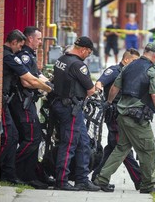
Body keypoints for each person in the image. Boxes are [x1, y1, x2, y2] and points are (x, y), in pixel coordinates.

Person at [94, 42, 155, 193]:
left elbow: (115, 87)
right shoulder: (151, 71)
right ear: (154, 55)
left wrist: (108, 102)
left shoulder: (128, 67)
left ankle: (101, 179)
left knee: (121, 148)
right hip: (137, 119)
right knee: (148, 150)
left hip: (122, 116)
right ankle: (147, 185)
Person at [0, 29, 52, 185]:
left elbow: (36, 75)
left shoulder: (13, 55)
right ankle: (8, 170)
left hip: (10, 101)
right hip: (15, 101)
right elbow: (28, 80)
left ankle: (13, 172)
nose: (20, 50)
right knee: (23, 138)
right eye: (19, 46)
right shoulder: (11, 56)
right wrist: (50, 89)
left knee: (15, 136)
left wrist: (49, 83)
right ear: (15, 42)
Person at [51, 36, 100, 191]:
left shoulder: (62, 59)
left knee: (83, 142)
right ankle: (61, 181)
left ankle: (82, 179)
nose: (88, 56)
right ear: (84, 49)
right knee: (69, 144)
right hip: (71, 109)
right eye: (89, 53)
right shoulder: (78, 65)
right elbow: (90, 89)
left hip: (61, 104)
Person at [92, 48, 142, 190]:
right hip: (115, 115)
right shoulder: (115, 71)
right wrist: (100, 92)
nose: (136, 65)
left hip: (122, 115)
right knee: (123, 148)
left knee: (112, 147)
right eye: (134, 61)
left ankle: (97, 177)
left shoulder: (127, 73)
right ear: (125, 60)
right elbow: (100, 82)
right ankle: (140, 180)